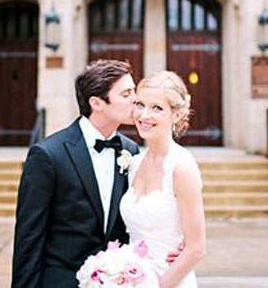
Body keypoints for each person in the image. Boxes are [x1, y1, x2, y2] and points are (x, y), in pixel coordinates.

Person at [11, 60, 140, 287]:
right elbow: (28, 239)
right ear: (97, 103)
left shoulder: (130, 150)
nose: (135, 100)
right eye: (126, 94)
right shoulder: (48, 155)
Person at [120, 71, 206, 287]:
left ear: (176, 114)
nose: (144, 115)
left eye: (156, 108)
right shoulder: (133, 162)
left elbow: (196, 248)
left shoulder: (181, 167)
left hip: (169, 281)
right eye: (140, 104)